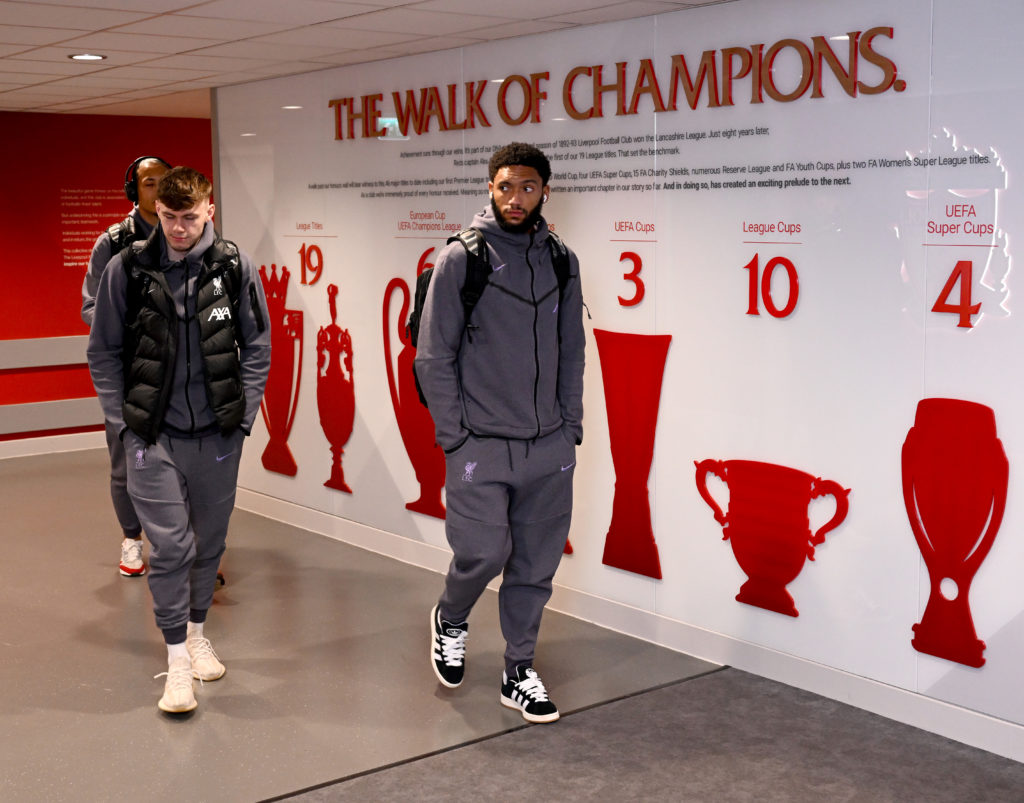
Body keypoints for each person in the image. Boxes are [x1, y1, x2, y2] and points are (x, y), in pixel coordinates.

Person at [87, 167, 271, 714]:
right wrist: (124, 424)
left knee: (208, 547)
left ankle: (194, 633)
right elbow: (103, 351)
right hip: (153, 435)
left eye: (189, 217)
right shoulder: (129, 267)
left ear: (209, 210)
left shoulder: (234, 266)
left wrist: (244, 420)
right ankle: (176, 663)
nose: (178, 228)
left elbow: (257, 345)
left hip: (217, 433)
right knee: (171, 548)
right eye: (168, 218)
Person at [414, 142, 585, 724]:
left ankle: (519, 670)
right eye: (507, 186)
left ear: (544, 192)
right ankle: (451, 617)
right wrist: (455, 437)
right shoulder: (462, 258)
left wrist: (571, 428)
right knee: (484, 552)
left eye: (529, 188)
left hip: (548, 447)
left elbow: (572, 352)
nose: (517, 198)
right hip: (480, 444)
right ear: (490, 186)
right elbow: (433, 357)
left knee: (535, 568)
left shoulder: (562, 259)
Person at [82, 155, 171, 577]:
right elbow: (90, 307)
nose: (158, 190)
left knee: (180, 460)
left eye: (164, 182)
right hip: (129, 371)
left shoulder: (186, 236)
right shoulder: (113, 243)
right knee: (127, 461)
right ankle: (132, 538)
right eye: (149, 183)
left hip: (176, 370)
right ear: (134, 190)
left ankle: (175, 543)